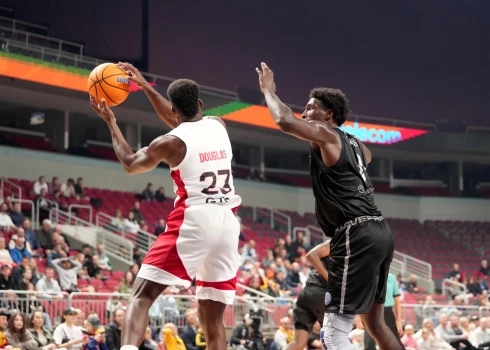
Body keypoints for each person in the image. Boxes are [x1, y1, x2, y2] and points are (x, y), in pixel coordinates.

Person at [90, 62, 241, 350]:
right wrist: (145, 86)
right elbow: (182, 122)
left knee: (141, 296)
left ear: (173, 110)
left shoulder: (170, 142)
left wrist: (111, 122)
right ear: (199, 103)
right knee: (213, 322)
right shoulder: (218, 125)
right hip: (228, 223)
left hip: (196, 219)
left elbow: (131, 164)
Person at [257, 62, 399, 350]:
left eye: (310, 108)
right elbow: (366, 157)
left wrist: (268, 91)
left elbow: (284, 121)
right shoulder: (355, 143)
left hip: (355, 232)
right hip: (380, 232)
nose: (304, 113)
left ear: (328, 114)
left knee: (333, 334)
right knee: (375, 324)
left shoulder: (329, 135)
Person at [283, 239, 330, 350]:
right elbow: (310, 255)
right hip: (320, 293)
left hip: (306, 294)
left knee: (298, 343)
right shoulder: (341, 241)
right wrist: (330, 279)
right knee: (334, 339)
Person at [364, 273, 404, 349]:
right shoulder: (367, 275)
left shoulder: (391, 278)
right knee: (369, 344)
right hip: (370, 311)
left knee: (395, 342)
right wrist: (359, 318)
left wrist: (399, 321)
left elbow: (397, 301)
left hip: (387, 311)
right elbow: (362, 298)